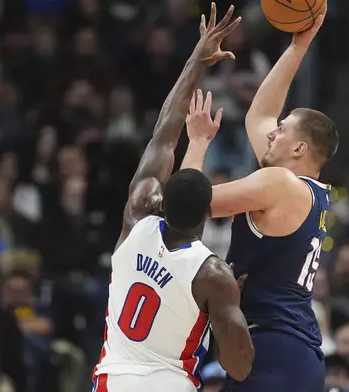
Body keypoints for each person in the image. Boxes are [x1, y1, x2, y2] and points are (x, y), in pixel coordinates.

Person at [92, 4, 254, 392]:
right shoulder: (213, 274)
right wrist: (230, 307)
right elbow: (240, 367)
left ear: (162, 199)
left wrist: (195, 60)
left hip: (111, 380)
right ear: (207, 214)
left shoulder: (137, 215)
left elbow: (164, 133)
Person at [181, 9, 336, 392]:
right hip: (286, 350)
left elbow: (186, 206)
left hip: (272, 349)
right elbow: (261, 114)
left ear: (299, 147)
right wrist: (299, 44)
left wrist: (198, 143)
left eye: (281, 131)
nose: (272, 133)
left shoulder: (279, 183)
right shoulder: (308, 191)